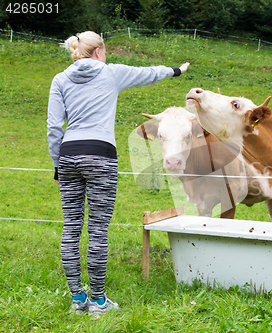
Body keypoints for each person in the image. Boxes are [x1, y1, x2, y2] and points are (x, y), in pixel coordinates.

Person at [47, 31, 189, 316]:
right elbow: (147, 73)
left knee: (71, 228)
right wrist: (176, 70)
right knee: (98, 230)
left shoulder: (60, 79)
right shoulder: (111, 73)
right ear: (99, 50)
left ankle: (78, 299)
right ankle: (98, 302)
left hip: (69, 155)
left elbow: (53, 128)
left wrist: (57, 165)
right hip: (101, 155)